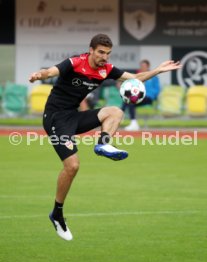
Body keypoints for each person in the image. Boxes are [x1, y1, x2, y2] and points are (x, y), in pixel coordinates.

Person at [29, 33, 181, 241]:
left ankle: (103, 145)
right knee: (72, 166)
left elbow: (134, 79)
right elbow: (52, 71)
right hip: (55, 119)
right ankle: (57, 213)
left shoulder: (105, 70)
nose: (104, 57)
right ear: (91, 50)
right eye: (101, 52)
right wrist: (40, 75)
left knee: (116, 112)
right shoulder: (75, 62)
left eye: (108, 53)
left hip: (74, 116)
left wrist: (158, 71)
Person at [122, 59, 161, 131]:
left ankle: (123, 118)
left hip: (148, 98)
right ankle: (125, 119)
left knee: (131, 102)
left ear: (148, 66)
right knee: (127, 101)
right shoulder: (137, 76)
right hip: (138, 97)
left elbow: (157, 89)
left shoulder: (154, 77)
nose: (142, 67)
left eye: (144, 66)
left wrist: (149, 94)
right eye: (141, 66)